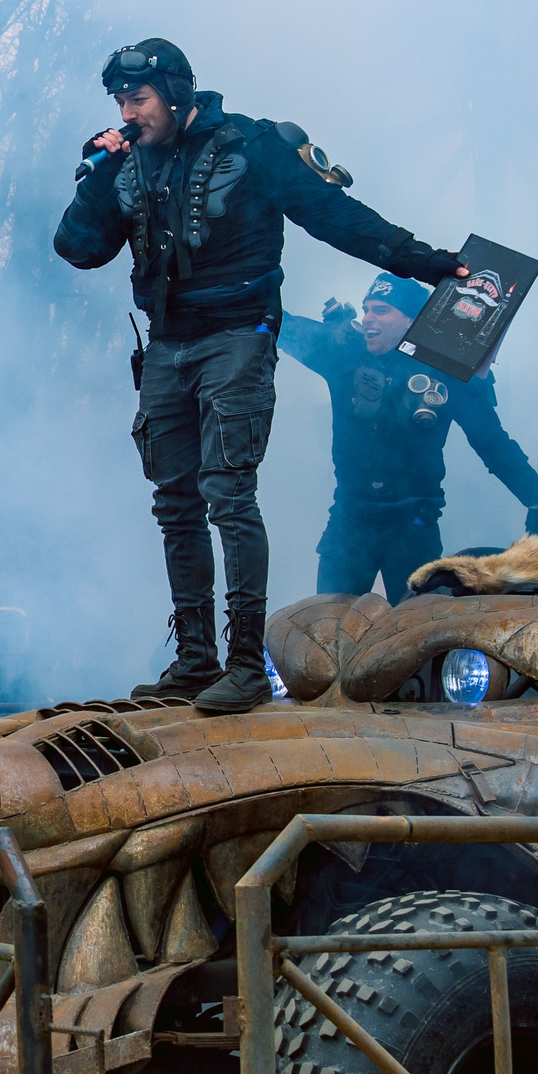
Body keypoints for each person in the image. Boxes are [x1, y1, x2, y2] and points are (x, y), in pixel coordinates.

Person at [54, 38, 469, 714]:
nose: (129, 112)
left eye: (139, 99)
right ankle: (195, 660)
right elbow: (77, 249)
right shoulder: (127, 162)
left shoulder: (250, 146)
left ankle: (245, 665)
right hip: (166, 345)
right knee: (174, 501)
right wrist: (102, 171)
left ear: (177, 92)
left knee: (227, 491)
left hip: (237, 337)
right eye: (121, 102)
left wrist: (426, 263)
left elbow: (339, 219)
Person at [280, 275, 538, 601]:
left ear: (412, 320)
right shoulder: (345, 351)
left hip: (413, 525)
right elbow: (282, 325)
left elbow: (493, 444)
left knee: (412, 637)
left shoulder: (447, 370)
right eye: (366, 310)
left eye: (381, 311)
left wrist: (537, 500)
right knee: (326, 630)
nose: (368, 318)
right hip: (349, 521)